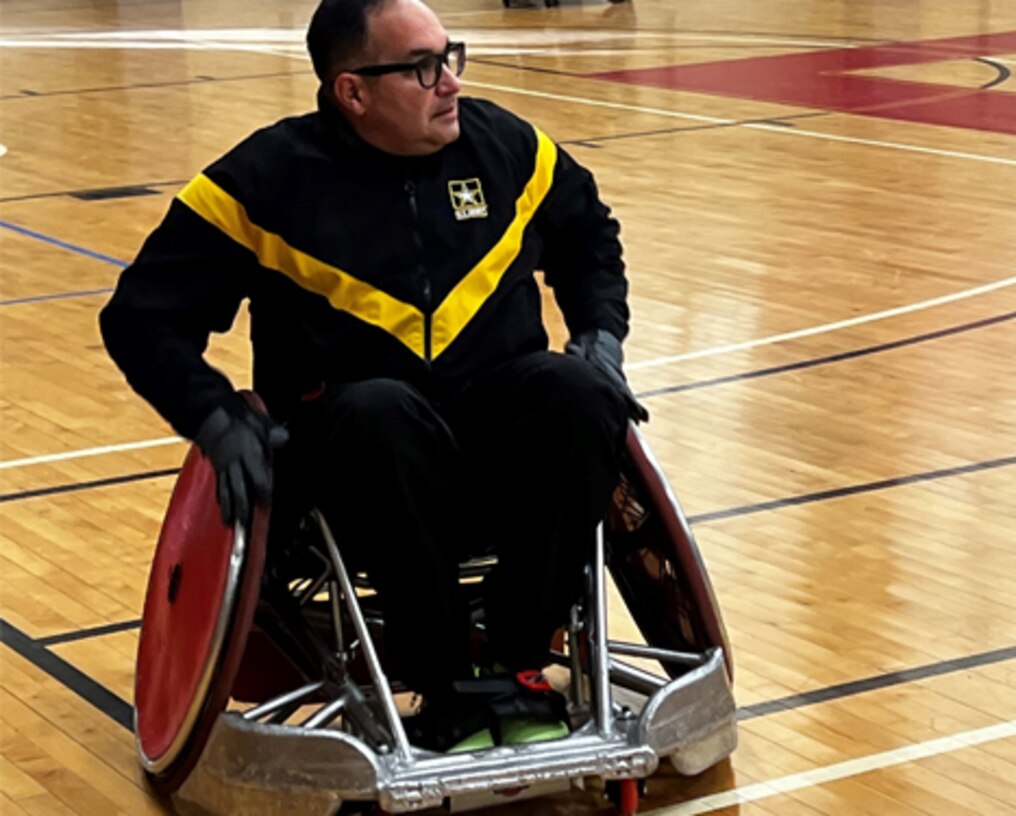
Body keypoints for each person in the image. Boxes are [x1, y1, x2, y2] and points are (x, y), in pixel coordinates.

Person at [100, 0, 643, 751]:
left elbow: (591, 238)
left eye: (451, 56)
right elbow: (140, 318)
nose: (449, 82)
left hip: (492, 443)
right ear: (352, 91)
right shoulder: (263, 183)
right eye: (423, 68)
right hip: (348, 461)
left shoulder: (510, 149)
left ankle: (517, 657)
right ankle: (445, 679)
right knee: (382, 410)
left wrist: (600, 333)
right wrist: (214, 416)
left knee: (576, 391)